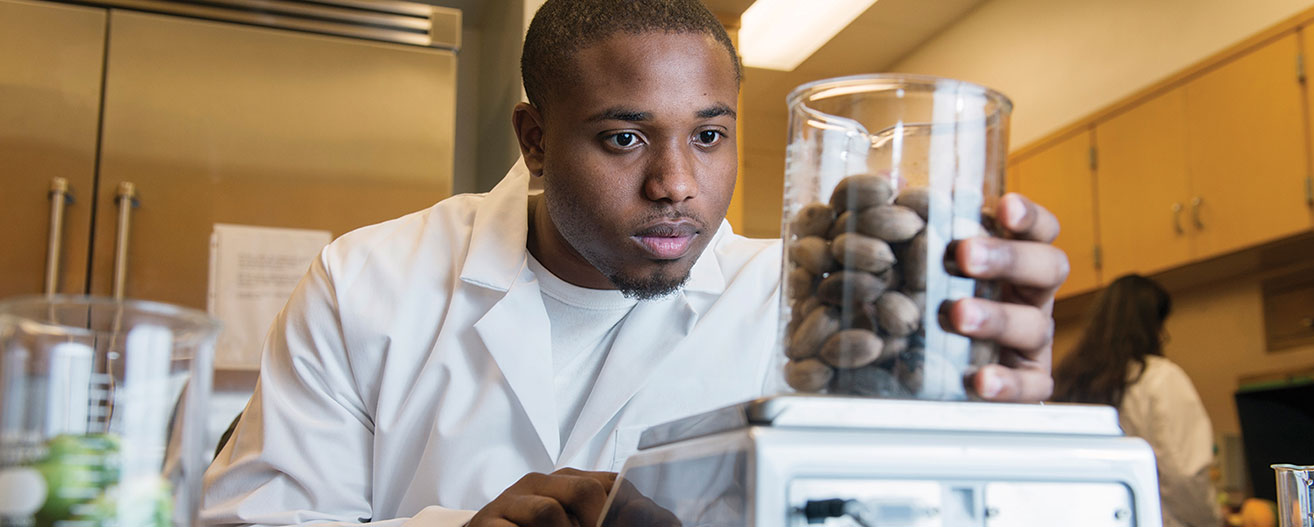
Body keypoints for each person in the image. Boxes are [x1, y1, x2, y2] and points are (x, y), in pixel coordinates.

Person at [201, 1, 1069, 526]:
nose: (676, 184)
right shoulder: (369, 279)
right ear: (535, 142)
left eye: (708, 135)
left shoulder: (806, 304)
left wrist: (991, 426)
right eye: (624, 137)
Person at [1053, 274, 1220, 527]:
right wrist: (1211, 521)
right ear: (1152, 325)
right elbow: (1185, 477)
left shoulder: (1068, 381)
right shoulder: (1159, 378)